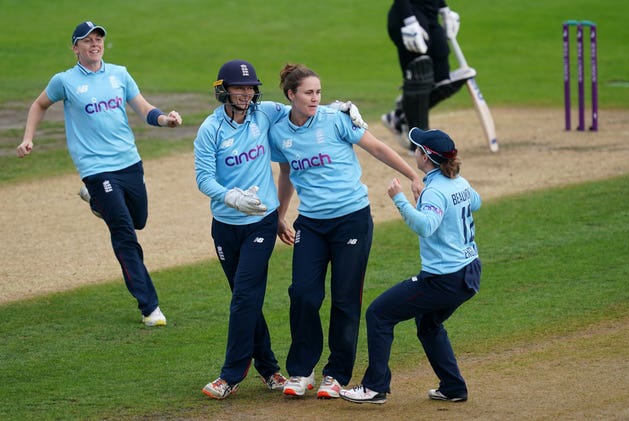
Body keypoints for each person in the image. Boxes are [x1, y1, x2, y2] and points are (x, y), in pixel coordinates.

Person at [194, 59, 367, 400]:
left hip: (261, 221)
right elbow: (204, 178)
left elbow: (301, 106)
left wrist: (340, 108)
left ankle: (229, 376)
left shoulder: (265, 113)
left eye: (249, 88)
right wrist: (230, 197)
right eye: (238, 88)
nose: (245, 94)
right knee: (244, 300)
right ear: (223, 91)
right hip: (226, 225)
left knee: (245, 295)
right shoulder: (210, 130)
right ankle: (270, 369)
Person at [269, 63, 424, 399]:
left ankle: (336, 374)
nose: (315, 98)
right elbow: (286, 175)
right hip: (310, 222)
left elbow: (378, 148)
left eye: (318, 92)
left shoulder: (337, 119)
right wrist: (280, 215)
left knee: (344, 298)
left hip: (351, 219)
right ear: (291, 95)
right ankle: (300, 371)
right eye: (308, 93)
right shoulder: (279, 130)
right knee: (303, 294)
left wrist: (413, 175)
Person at [15, 21, 182, 327]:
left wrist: (165, 120)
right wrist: (28, 137)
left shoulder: (119, 73)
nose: (95, 45)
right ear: (75, 47)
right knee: (124, 234)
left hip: (129, 161)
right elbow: (39, 104)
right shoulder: (64, 81)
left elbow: (143, 108)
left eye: (98, 40)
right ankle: (150, 307)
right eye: (87, 41)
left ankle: (96, 202)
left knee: (138, 220)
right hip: (95, 167)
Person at [339, 128, 481, 404]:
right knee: (428, 323)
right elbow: (475, 202)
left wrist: (399, 198)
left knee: (379, 314)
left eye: (416, 148)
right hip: (470, 272)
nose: (413, 151)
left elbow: (425, 227)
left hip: (444, 279)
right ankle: (453, 387)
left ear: (425, 157)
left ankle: (374, 387)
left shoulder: (434, 191)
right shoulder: (459, 183)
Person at [381, 1, 476, 150]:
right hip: (407, 15)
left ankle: (400, 116)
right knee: (420, 71)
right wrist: (409, 21)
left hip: (431, 15)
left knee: (443, 81)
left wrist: (444, 10)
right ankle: (418, 144)